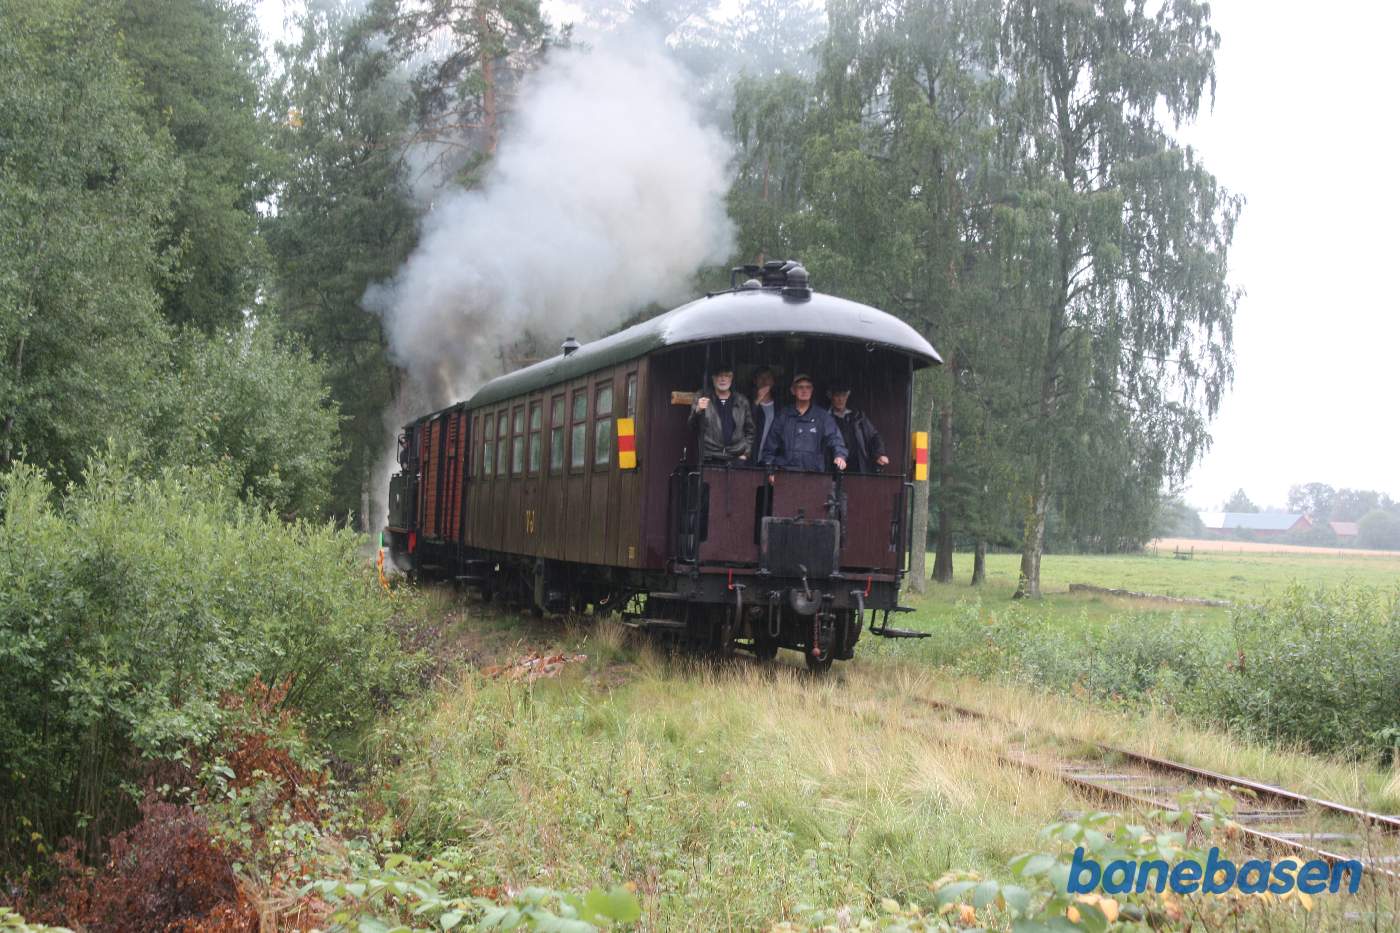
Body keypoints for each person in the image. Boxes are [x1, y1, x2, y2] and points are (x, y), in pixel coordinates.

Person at [759, 373, 847, 477]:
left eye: (808, 387)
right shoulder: (783, 416)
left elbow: (835, 438)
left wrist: (840, 455)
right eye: (800, 387)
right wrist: (769, 470)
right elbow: (770, 447)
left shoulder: (822, 416)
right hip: (785, 474)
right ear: (793, 390)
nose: (804, 390)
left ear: (812, 390)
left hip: (814, 475)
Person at [689, 366, 754, 463]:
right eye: (719, 376)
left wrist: (745, 453)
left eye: (727, 376)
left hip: (736, 457)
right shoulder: (702, 396)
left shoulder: (741, 400)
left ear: (731, 378)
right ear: (713, 378)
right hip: (710, 457)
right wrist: (697, 410)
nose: (723, 379)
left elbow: (750, 430)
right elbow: (692, 427)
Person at [826, 382, 889, 473]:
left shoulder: (858, 416)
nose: (840, 399)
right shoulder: (825, 417)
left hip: (857, 467)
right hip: (832, 466)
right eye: (837, 395)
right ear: (830, 396)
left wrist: (880, 454)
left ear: (847, 396)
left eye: (843, 395)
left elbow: (874, 436)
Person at [751, 367, 778, 459]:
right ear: (755, 381)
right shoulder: (747, 402)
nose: (764, 380)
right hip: (752, 455)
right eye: (761, 377)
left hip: (772, 457)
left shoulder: (780, 407)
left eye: (768, 377)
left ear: (773, 382)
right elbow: (744, 422)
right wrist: (757, 400)